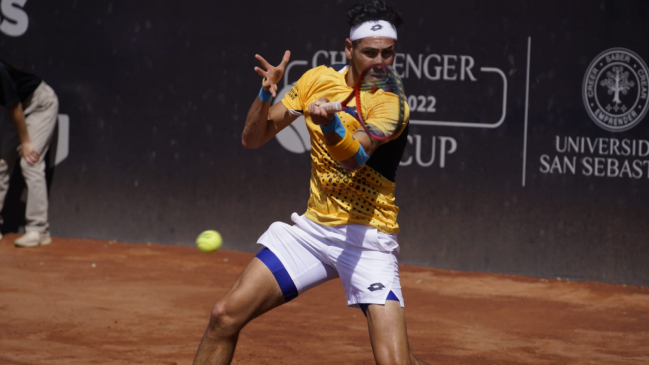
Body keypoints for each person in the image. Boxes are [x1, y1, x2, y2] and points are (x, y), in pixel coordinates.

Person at [193, 1, 428, 364]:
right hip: (314, 232)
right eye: (370, 52)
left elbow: (354, 159)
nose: (380, 62)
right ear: (348, 49)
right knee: (224, 316)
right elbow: (253, 138)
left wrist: (331, 125)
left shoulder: (391, 103)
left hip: (369, 238)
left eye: (388, 53)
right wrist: (264, 95)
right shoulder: (315, 80)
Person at [0, 59, 58, 247]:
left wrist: (25, 141)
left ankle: (39, 230)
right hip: (13, 111)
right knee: (1, 163)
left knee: (29, 161)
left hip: (40, 105)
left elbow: (15, 106)